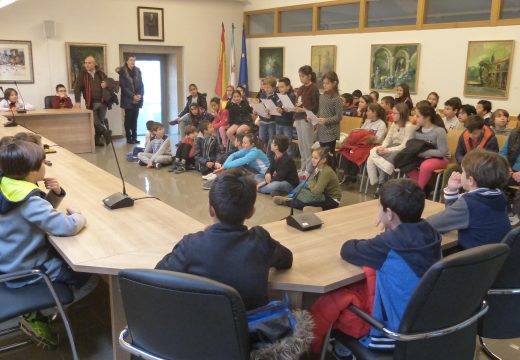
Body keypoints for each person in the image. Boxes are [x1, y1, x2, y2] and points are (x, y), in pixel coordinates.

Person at [155, 168, 293, 311]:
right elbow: (287, 259)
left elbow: (158, 274)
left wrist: (201, 237)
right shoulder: (261, 241)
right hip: (250, 331)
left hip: (198, 330)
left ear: (210, 209)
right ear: (251, 212)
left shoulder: (191, 246)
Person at [0, 140, 93, 348]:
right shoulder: (29, 200)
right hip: (27, 269)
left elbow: (37, 215)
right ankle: (39, 314)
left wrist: (57, 193)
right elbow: (66, 227)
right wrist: (79, 216)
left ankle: (39, 311)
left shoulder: (8, 186)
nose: (45, 166)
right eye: (44, 163)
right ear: (32, 171)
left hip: (7, 262)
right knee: (90, 279)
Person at [333, 179, 441, 353]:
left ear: (389, 214)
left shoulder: (389, 244)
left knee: (337, 304)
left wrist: (387, 233)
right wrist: (390, 228)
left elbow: (348, 250)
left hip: (394, 336)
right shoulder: (430, 233)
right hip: (429, 326)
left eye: (379, 207)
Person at [427, 150, 510, 250]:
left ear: (470, 180)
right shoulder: (499, 196)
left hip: (470, 260)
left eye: (462, 172)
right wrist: (452, 190)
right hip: (492, 260)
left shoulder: (469, 203)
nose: (460, 174)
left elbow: (432, 224)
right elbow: (454, 218)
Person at [367, 103, 415, 196]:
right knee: (376, 153)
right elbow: (388, 139)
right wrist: (383, 147)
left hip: (402, 150)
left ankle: (381, 185)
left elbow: (404, 145)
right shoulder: (394, 124)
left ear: (401, 114)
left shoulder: (409, 126)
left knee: (386, 160)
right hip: (392, 147)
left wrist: (387, 150)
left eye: (394, 113)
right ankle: (379, 182)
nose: (392, 115)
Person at [441, 115, 499, 191]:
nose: (471, 136)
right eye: (469, 132)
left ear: (482, 129)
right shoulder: (464, 135)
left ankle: (467, 199)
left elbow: (491, 160)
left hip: (482, 169)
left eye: (475, 133)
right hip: (466, 165)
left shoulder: (491, 139)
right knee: (449, 171)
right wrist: (463, 162)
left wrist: (472, 166)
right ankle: (444, 198)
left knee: (469, 177)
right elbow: (458, 153)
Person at [273, 147, 342, 211]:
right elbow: (312, 182)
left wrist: (311, 187)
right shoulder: (318, 168)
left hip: (332, 200)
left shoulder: (326, 172)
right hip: (322, 194)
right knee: (302, 188)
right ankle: (316, 208)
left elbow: (317, 191)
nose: (312, 160)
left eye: (315, 158)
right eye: (312, 157)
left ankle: (287, 202)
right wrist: (312, 186)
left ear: (323, 160)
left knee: (303, 201)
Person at [340, 103, 387, 184]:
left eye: (368, 111)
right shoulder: (367, 121)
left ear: (374, 112)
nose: (366, 113)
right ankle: (347, 174)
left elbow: (378, 139)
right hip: (362, 144)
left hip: (372, 145)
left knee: (356, 152)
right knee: (346, 149)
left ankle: (353, 175)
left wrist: (366, 139)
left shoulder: (381, 124)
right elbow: (360, 132)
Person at [406, 104, 449, 190]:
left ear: (427, 118)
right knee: (404, 161)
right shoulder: (415, 129)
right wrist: (411, 129)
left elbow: (442, 152)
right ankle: (420, 189)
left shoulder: (439, 131)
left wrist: (422, 153)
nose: (415, 118)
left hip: (440, 158)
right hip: (421, 157)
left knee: (425, 166)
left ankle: (418, 190)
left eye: (418, 116)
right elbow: (409, 145)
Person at [73, 55, 110, 146]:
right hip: (91, 102)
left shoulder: (101, 73)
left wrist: (106, 83)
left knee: (99, 122)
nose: (87, 65)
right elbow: (77, 88)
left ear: (94, 63)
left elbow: (110, 83)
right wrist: (77, 101)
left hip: (103, 102)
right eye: (85, 63)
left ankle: (97, 141)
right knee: (95, 122)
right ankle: (106, 133)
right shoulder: (82, 74)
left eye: (89, 63)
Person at [293, 65, 320, 177]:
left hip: (307, 118)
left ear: (309, 76)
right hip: (298, 117)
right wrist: (293, 107)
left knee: (308, 144)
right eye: (299, 76)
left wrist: (303, 109)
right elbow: (298, 102)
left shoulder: (314, 88)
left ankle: (309, 169)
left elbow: (315, 107)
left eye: (303, 76)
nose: (301, 78)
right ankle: (303, 167)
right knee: (301, 144)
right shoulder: (301, 88)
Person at [315, 71, 343, 163]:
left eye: (327, 83)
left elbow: (339, 117)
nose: (325, 85)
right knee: (322, 156)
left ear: (334, 83)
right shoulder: (322, 97)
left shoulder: (337, 99)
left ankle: (332, 175)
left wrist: (326, 120)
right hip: (321, 130)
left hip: (331, 132)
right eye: (323, 83)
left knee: (329, 157)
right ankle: (323, 174)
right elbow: (320, 112)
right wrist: (314, 118)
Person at [118, 54, 144, 144]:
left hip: (137, 99)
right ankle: (129, 138)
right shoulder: (122, 71)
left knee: (135, 119)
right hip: (128, 99)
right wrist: (133, 96)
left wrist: (140, 95)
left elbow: (141, 85)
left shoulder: (138, 70)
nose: (133, 62)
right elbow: (124, 87)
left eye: (134, 60)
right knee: (128, 119)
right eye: (131, 60)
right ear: (127, 61)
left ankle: (134, 137)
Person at [256, 76, 279, 156]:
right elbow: (260, 105)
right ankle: (260, 155)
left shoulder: (276, 96)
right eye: (264, 87)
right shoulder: (262, 94)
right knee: (261, 139)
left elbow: (277, 109)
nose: (266, 89)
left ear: (274, 87)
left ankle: (269, 156)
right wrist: (257, 110)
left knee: (271, 140)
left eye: (268, 87)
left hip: (272, 121)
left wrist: (271, 112)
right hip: (262, 120)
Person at [274, 77, 296, 152]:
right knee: (278, 144)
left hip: (287, 124)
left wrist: (282, 111)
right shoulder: (278, 95)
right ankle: (279, 161)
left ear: (288, 87)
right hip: (278, 122)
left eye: (282, 87)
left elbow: (291, 113)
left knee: (287, 145)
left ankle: (288, 162)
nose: (280, 89)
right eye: (279, 87)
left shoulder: (292, 97)